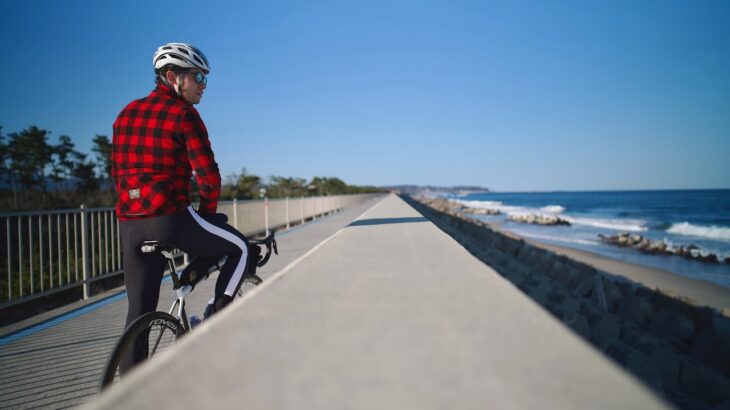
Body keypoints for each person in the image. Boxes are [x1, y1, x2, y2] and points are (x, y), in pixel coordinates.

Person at [112, 42, 249, 372]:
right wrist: (207, 215)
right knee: (241, 248)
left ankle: (130, 391)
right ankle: (214, 320)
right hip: (170, 219)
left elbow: (117, 172)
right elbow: (208, 176)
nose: (203, 85)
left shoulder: (125, 112)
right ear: (172, 76)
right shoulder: (184, 114)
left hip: (129, 223)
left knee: (139, 313)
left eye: (205, 78)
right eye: (198, 76)